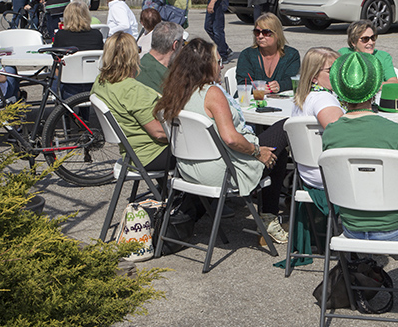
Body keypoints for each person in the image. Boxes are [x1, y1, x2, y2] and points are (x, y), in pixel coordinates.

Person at [154, 38, 289, 243]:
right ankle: (269, 216)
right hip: (223, 170)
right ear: (205, 65)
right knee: (284, 128)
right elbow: (231, 139)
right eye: (218, 61)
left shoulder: (175, 92)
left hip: (188, 170)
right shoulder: (211, 92)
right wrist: (256, 151)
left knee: (273, 149)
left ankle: (269, 216)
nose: (222, 65)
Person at [321, 51, 398, 298]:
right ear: (374, 92)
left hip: (351, 226)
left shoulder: (330, 133)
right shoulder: (395, 132)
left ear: (340, 93)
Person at [91, 33, 171, 177]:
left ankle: (172, 193)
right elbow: (159, 133)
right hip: (150, 154)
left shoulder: (100, 82)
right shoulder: (132, 90)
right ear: (132, 56)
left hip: (130, 152)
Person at [290, 47, 344, 189]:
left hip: (308, 172)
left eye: (339, 68)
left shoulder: (303, 97)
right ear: (314, 77)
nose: (338, 74)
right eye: (330, 70)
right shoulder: (324, 99)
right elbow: (342, 133)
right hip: (329, 174)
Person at [236, 13, 300, 93]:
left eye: (266, 33)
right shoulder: (247, 55)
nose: (260, 36)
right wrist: (257, 89)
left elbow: (293, 80)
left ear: (277, 34)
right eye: (257, 32)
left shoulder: (291, 55)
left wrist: (280, 85)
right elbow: (243, 83)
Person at [135, 21, 184, 94]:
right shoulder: (171, 81)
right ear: (175, 45)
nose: (182, 48)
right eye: (182, 44)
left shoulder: (135, 68)